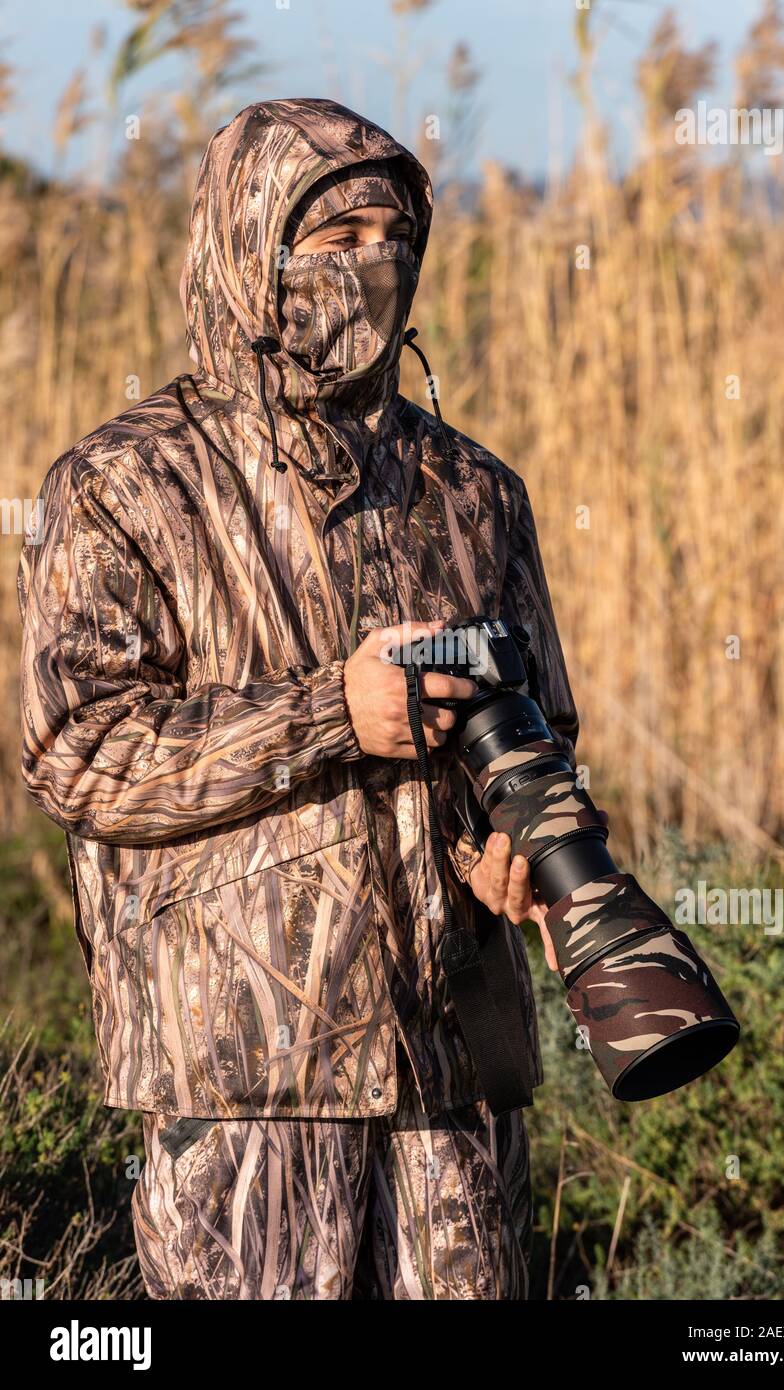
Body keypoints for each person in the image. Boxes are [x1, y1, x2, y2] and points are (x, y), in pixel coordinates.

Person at [18, 98, 580, 1300]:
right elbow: (76, 753)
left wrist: (513, 843)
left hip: (454, 1071)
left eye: (392, 232)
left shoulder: (473, 489)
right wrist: (333, 714)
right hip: (244, 1083)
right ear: (243, 246)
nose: (369, 263)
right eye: (331, 238)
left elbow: (540, 729)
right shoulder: (126, 483)